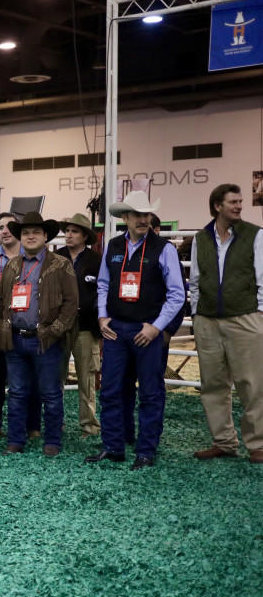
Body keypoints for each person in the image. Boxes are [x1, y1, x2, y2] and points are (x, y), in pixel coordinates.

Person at [86, 190, 184, 470]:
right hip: (117, 329)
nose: (143, 219)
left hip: (146, 331)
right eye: (137, 215)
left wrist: (156, 327)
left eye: (146, 214)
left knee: (151, 392)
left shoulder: (164, 249)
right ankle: (114, 446)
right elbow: (103, 284)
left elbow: (177, 294)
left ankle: (146, 451)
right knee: (110, 390)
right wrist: (102, 317)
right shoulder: (113, 246)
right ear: (125, 217)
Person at [0, 212, 77, 457]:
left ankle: (52, 442)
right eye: (26, 233)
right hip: (15, 338)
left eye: (35, 232)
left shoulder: (60, 264)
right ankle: (16, 441)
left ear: (45, 236)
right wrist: (0, 329)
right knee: (17, 392)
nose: (30, 237)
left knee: (50, 393)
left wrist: (56, 332)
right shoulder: (12, 265)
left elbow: (71, 303)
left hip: (45, 340)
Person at [189, 184, 263, 464]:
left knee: (252, 383)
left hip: (245, 318)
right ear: (217, 206)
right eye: (233, 202)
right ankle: (223, 441)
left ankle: (258, 444)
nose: (239, 206)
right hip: (207, 320)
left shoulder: (255, 235)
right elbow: (195, 280)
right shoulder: (200, 238)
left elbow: (262, 276)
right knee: (212, 385)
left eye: (241, 201)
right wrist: (196, 314)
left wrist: (259, 313)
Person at [0, 212, 40, 438]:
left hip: (26, 329)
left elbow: (36, 293)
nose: (3, 230)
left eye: (8, 226)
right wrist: (9, 316)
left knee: (30, 379)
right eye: (0, 227)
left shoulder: (34, 258)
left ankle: (32, 427)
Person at [56, 213, 103, 439]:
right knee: (56, 377)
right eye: (67, 231)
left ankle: (89, 425)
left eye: (74, 231)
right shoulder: (55, 257)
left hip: (86, 326)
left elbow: (103, 292)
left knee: (87, 379)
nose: (69, 235)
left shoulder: (97, 260)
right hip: (59, 328)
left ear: (85, 235)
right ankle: (57, 422)